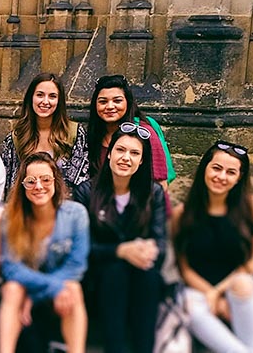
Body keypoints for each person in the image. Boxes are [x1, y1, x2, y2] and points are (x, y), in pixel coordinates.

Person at [72, 125, 166, 353]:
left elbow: (161, 244)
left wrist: (146, 251)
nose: (126, 158)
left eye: (134, 153)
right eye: (120, 150)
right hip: (98, 278)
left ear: (142, 161)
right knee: (115, 272)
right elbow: (82, 248)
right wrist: (120, 251)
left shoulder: (152, 193)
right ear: (110, 153)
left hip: (141, 276)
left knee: (148, 275)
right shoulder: (86, 192)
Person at [173, 140, 253, 353]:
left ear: (239, 178)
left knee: (242, 283)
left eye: (231, 172)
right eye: (216, 168)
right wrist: (211, 294)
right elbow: (185, 268)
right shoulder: (183, 214)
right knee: (188, 303)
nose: (221, 177)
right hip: (201, 292)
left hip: (251, 290)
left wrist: (218, 293)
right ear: (204, 169)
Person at [0, 153, 88, 353]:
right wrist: (51, 286)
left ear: (56, 181)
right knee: (12, 288)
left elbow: (76, 266)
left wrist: (50, 289)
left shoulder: (76, 214)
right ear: (22, 185)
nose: (38, 186)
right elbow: (11, 268)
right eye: (31, 181)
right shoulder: (11, 217)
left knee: (73, 288)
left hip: (60, 293)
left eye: (45, 179)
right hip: (25, 289)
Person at [0, 73, 88, 196]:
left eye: (52, 96)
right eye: (40, 95)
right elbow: (11, 184)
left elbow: (79, 181)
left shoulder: (75, 133)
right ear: (31, 98)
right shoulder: (16, 138)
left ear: (59, 101)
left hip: (63, 205)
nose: (45, 101)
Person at [86, 75, 171, 190]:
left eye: (117, 101)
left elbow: (161, 183)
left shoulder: (143, 133)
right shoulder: (93, 135)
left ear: (128, 102)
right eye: (103, 101)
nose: (110, 106)